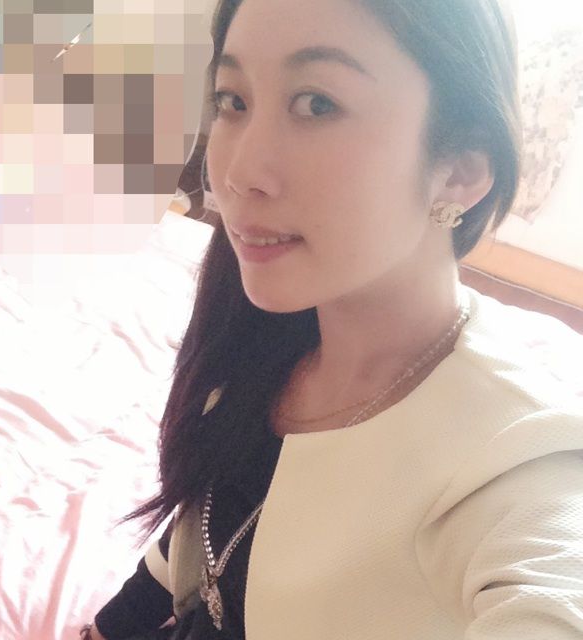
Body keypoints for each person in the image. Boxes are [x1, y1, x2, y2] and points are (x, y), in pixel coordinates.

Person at [81, 0, 583, 638]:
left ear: (461, 170)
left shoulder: (519, 464)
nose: (238, 174)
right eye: (232, 101)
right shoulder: (265, 333)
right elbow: (207, 530)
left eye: (317, 104)